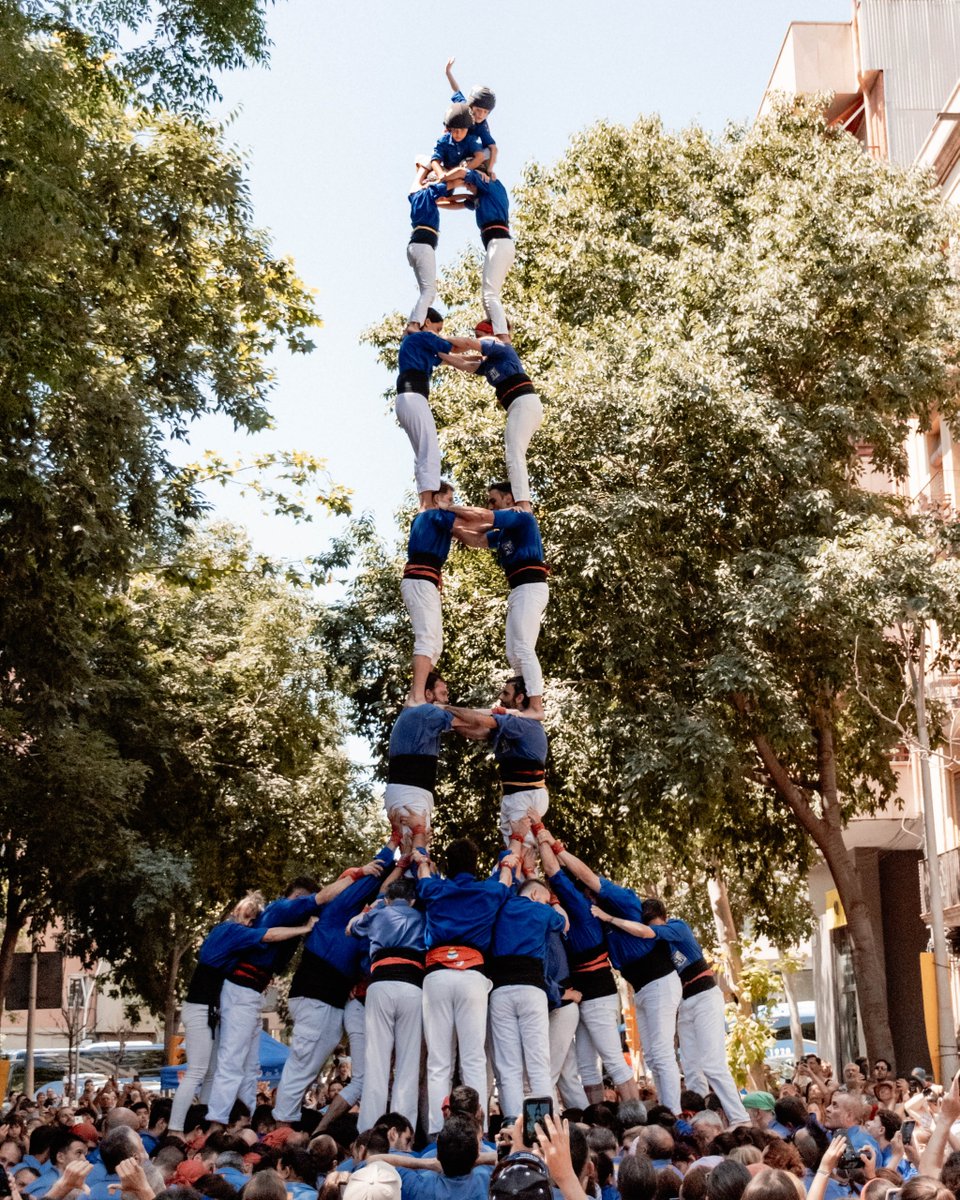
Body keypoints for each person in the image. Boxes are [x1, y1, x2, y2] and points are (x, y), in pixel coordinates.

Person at [588, 898, 749, 1127]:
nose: (655, 928)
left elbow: (646, 932)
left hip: (705, 997)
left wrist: (610, 918)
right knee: (691, 1067)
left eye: (656, 924)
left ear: (663, 917)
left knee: (713, 1064)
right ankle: (700, 1118)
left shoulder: (676, 927)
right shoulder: (657, 944)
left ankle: (739, 1118)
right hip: (684, 1004)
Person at [168, 895, 316, 1133]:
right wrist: (303, 928)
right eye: (251, 916)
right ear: (241, 910)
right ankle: (175, 1129)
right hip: (199, 1008)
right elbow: (270, 935)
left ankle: (201, 1124)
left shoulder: (228, 932)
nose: (251, 922)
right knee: (197, 1071)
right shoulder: (231, 930)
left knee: (210, 1073)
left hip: (208, 1010)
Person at [271, 845, 395, 1127]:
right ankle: (282, 1125)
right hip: (317, 995)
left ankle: (286, 1121)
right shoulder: (337, 910)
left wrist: (399, 855)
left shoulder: (363, 922)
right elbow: (369, 884)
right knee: (304, 1063)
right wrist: (391, 848)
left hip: (329, 999)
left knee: (312, 1063)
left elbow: (382, 891)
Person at [205, 878, 340, 1130]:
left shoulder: (288, 920)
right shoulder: (280, 909)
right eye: (302, 900)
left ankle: (243, 1122)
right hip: (240, 989)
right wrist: (357, 874)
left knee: (249, 1066)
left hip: (251, 993)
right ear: (296, 897)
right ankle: (216, 1121)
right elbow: (318, 900)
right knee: (232, 1061)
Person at [555, 845, 681, 1114]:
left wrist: (554, 846)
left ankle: (665, 1114)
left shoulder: (619, 900)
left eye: (587, 892)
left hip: (658, 980)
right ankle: (605, 1117)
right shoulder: (595, 918)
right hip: (638, 988)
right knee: (642, 1057)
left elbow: (645, 932)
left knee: (658, 1053)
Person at [533, 824, 641, 1106]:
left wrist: (540, 833)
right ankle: (597, 1119)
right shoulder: (562, 918)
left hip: (598, 993)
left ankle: (635, 1116)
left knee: (613, 1060)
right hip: (586, 995)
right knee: (585, 1065)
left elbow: (555, 876)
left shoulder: (583, 911)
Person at [416, 838, 515, 1135]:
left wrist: (422, 852)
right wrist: (509, 853)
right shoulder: (488, 889)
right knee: (473, 1057)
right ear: (476, 864)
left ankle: (437, 1133)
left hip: (436, 975)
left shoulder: (435, 888)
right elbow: (507, 876)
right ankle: (477, 1131)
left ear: (446, 864)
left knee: (439, 1062)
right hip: (472, 973)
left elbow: (421, 869)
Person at [447, 484, 548, 717]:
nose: (490, 505)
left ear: (509, 499)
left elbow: (482, 517)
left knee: (523, 647)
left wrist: (448, 508)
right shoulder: (503, 533)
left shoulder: (520, 517)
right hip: (518, 590)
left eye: (493, 500)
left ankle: (536, 706)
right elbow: (478, 539)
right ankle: (522, 702)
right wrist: (450, 528)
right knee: (513, 654)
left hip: (530, 586)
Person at [348, 877, 427, 1130]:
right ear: (412, 899)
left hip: (380, 984)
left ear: (389, 898)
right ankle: (403, 1132)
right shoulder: (420, 916)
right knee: (408, 1063)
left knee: (377, 1062)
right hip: (412, 986)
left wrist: (378, 904)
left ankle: (369, 1130)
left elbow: (351, 928)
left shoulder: (379, 913)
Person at [487, 876, 566, 1120]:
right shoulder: (540, 910)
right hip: (531, 989)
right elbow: (564, 923)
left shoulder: (499, 907)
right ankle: (540, 1126)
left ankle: (512, 1124)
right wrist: (552, 901)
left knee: (508, 1066)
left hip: (499, 991)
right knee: (538, 1062)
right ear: (534, 896)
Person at [442, 328, 542, 510]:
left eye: (479, 334)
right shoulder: (489, 364)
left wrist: (435, 339)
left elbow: (465, 343)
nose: (478, 339)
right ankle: (522, 501)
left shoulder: (499, 347)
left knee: (514, 453)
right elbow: (464, 363)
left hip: (524, 403)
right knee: (513, 452)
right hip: (518, 406)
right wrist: (438, 354)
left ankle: (523, 503)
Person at [444, 677, 548, 850]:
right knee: (512, 846)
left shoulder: (521, 722)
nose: (501, 696)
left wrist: (446, 709)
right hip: (515, 795)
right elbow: (477, 732)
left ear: (520, 698)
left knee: (521, 848)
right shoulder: (508, 726)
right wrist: (448, 722)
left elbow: (481, 720)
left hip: (526, 794)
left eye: (506, 693)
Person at [395, 311, 480, 511]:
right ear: (427, 322)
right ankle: (427, 505)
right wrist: (484, 347)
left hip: (409, 400)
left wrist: (480, 359)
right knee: (429, 451)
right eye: (438, 329)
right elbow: (454, 346)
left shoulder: (419, 347)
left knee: (424, 452)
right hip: (413, 396)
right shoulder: (421, 337)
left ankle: (424, 502)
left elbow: (453, 359)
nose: (439, 334)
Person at [401, 489, 465, 704]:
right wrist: (499, 520)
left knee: (435, 646)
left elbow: (471, 533)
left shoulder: (437, 519)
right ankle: (417, 696)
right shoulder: (432, 515)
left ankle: (422, 693)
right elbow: (468, 526)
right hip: (420, 578)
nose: (452, 504)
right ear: (437, 499)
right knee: (427, 639)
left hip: (427, 580)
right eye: (449, 499)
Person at [384, 673, 454, 847]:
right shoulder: (425, 711)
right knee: (414, 850)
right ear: (428, 694)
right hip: (410, 791)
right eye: (443, 693)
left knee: (415, 848)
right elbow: (465, 720)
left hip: (413, 791)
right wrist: (502, 716)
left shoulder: (420, 715)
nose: (447, 699)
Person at [445, 60, 497, 178]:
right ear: (471, 106)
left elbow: (493, 148)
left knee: (488, 151)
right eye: (478, 110)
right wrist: (448, 72)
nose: (481, 115)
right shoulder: (463, 108)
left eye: (485, 112)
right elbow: (456, 90)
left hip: (467, 153)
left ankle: (469, 167)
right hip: (452, 148)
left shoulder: (482, 126)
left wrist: (490, 170)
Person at [417, 103, 486, 188]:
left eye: (463, 129)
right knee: (432, 177)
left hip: (465, 169)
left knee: (479, 163)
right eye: (455, 129)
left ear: (468, 128)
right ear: (449, 128)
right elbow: (435, 161)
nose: (458, 133)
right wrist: (441, 174)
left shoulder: (470, 139)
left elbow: (480, 157)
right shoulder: (443, 141)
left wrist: (463, 171)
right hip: (447, 172)